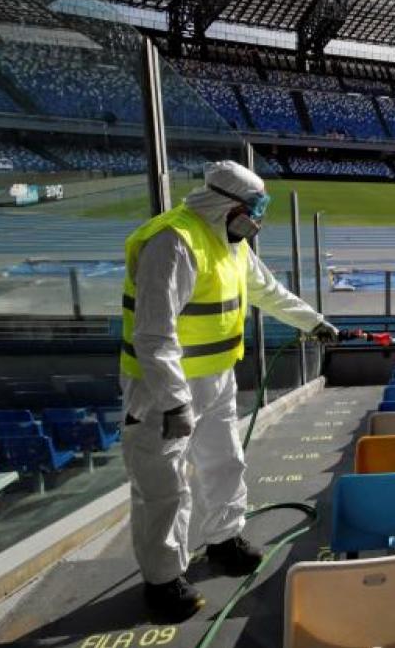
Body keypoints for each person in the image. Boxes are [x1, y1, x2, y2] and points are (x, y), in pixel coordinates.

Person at [119, 161, 355, 621]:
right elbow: (153, 334)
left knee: (224, 460)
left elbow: (269, 291)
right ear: (226, 205)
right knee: (163, 485)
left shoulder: (233, 246)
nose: (258, 219)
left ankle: (224, 540)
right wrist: (173, 401)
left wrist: (315, 322)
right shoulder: (174, 243)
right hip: (161, 389)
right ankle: (164, 579)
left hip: (216, 378)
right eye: (254, 209)